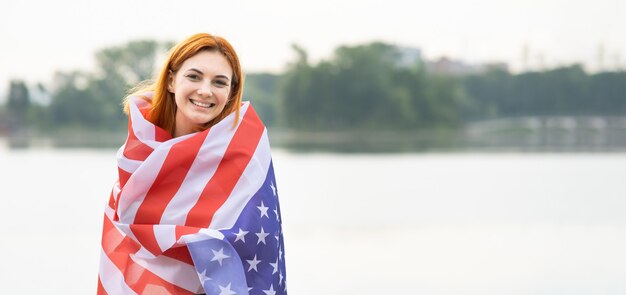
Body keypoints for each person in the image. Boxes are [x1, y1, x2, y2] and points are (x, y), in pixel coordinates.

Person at [98, 33, 287, 295]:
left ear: (231, 93)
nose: (205, 90)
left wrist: (198, 240)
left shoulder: (244, 154)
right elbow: (124, 245)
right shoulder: (139, 156)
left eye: (219, 82)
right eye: (194, 76)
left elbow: (257, 244)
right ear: (172, 80)